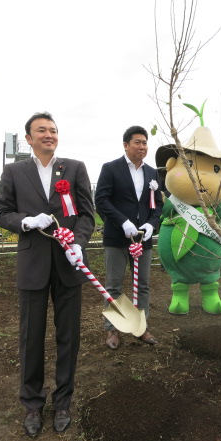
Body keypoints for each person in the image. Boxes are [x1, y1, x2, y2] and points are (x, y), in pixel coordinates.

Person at [0, 112, 95, 437]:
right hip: (33, 264)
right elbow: (2, 213)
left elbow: (86, 214)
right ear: (29, 138)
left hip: (68, 264)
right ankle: (33, 404)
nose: (49, 134)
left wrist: (78, 243)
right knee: (31, 337)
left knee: (69, 337)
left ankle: (63, 401)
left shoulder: (75, 168)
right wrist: (26, 222)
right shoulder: (14, 172)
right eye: (42, 130)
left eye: (53, 130)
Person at [95, 125, 163, 350]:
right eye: (137, 142)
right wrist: (122, 222)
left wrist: (152, 224)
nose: (142, 146)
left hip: (142, 240)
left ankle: (141, 326)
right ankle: (112, 328)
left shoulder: (152, 173)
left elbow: (158, 205)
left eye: (145, 142)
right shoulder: (111, 169)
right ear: (126, 145)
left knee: (142, 284)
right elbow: (102, 200)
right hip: (116, 237)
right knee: (113, 285)